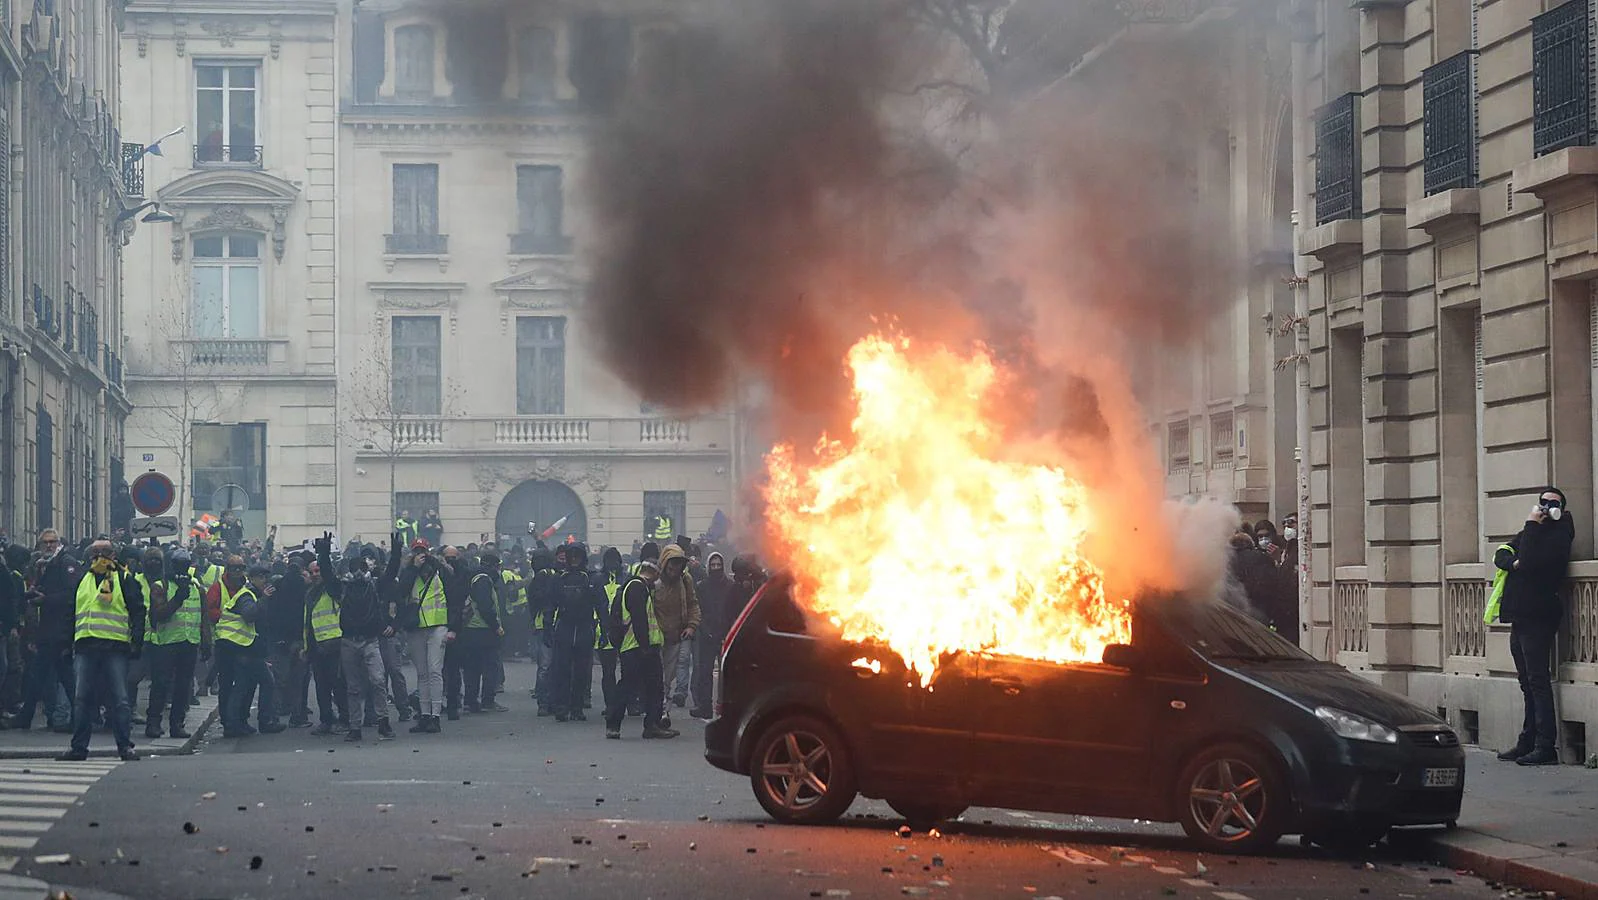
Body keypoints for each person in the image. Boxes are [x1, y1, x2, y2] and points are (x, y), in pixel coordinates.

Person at [1495, 487, 1575, 766]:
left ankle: (1545, 746)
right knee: (1526, 681)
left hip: (1539, 615)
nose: (1545, 507)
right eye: (1541, 502)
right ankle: (1527, 741)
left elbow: (1528, 560)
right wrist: (1513, 561)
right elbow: (1502, 553)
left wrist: (1531, 525)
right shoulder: (1531, 532)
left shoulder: (1560, 532)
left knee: (1538, 680)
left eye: (1551, 503)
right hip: (1520, 615)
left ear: (1561, 508)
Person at [58, 540, 145, 762]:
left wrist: (136, 642)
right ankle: (79, 748)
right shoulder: (82, 579)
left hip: (115, 646)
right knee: (81, 699)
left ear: (113, 554)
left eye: (103, 552)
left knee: (120, 700)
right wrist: (67, 644)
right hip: (86, 646)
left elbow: (138, 611)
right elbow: (71, 612)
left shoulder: (124, 579)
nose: (98, 556)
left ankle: (125, 746)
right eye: (95, 552)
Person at [320, 533, 398, 742]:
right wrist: (324, 554)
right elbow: (327, 575)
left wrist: (396, 553)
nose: (358, 574)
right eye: (356, 570)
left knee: (378, 680)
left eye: (361, 570)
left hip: (369, 640)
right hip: (349, 641)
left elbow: (390, 574)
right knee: (353, 687)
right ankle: (356, 726)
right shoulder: (343, 588)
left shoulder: (372, 585)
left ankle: (383, 722)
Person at [604, 559, 676, 740]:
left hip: (638, 646)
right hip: (639, 647)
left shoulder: (635, 586)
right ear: (652, 572)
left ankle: (647, 724)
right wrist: (645, 646)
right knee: (639, 686)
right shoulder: (637, 587)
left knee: (644, 686)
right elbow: (639, 618)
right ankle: (642, 725)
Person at [13, 530, 77, 732]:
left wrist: (45, 599)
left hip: (60, 631)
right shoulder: (46, 565)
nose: (49, 546)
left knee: (63, 678)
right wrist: (32, 595)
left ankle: (78, 717)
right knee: (41, 675)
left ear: (59, 543)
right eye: (45, 543)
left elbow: (71, 595)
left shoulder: (66, 563)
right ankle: (26, 716)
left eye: (52, 542)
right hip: (48, 631)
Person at [143, 548, 205, 740]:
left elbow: (203, 618)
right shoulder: (160, 585)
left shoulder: (195, 585)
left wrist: (207, 643)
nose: (182, 568)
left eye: (185, 564)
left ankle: (177, 724)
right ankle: (153, 723)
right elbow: (157, 615)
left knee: (183, 686)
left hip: (189, 642)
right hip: (166, 643)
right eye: (178, 564)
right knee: (161, 684)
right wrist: (178, 597)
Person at [214, 563, 280, 738]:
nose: (265, 581)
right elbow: (249, 614)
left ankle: (237, 723)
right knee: (265, 682)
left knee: (243, 686)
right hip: (241, 648)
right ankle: (262, 721)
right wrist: (264, 598)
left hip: (244, 648)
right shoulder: (247, 595)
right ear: (252, 579)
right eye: (261, 577)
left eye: (266, 577)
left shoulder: (251, 594)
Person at [396, 539, 453, 732]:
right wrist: (413, 569)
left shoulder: (439, 570)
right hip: (416, 626)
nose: (420, 554)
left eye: (423, 551)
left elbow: (453, 593)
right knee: (422, 673)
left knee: (435, 670)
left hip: (438, 624)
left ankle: (435, 715)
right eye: (417, 551)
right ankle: (424, 714)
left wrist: (453, 627)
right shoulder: (408, 572)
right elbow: (401, 591)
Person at [548, 544, 602, 722]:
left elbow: (601, 606)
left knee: (581, 672)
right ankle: (562, 707)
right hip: (565, 627)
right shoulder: (559, 579)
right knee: (561, 670)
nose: (574, 560)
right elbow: (551, 605)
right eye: (572, 556)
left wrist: (605, 631)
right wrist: (548, 628)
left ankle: (577, 707)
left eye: (577, 556)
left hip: (584, 628)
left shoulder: (590, 579)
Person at [303, 547, 349, 735]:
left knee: (338, 685)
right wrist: (306, 647)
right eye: (312, 572)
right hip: (316, 647)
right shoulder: (310, 594)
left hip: (334, 644)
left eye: (318, 571)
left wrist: (323, 557)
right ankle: (326, 720)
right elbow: (307, 622)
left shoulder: (333, 590)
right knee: (321, 687)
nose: (315, 575)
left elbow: (330, 579)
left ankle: (345, 719)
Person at [262, 553, 310, 729]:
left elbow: (269, 612)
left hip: (279, 639)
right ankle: (297, 716)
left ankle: (274, 716)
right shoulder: (305, 587)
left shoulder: (277, 586)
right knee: (298, 680)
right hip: (298, 638)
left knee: (278, 681)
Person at [451, 554, 502, 715]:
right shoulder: (483, 580)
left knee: (472, 668)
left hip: (471, 630)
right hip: (483, 629)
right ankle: (487, 700)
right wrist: (496, 626)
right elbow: (485, 606)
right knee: (489, 666)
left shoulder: (473, 577)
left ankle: (470, 701)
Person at [653, 544, 700, 717]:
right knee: (656, 677)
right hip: (655, 638)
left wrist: (691, 625)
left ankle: (663, 713)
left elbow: (693, 604)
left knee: (668, 678)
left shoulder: (685, 580)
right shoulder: (654, 582)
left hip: (675, 637)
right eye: (672, 563)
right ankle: (655, 710)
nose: (675, 567)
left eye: (679, 563)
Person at [690, 552, 734, 719]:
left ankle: (725, 707)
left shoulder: (730, 586)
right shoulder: (702, 586)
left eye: (718, 565)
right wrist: (704, 630)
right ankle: (704, 706)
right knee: (704, 672)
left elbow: (733, 611)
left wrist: (727, 632)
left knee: (726, 674)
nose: (716, 568)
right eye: (713, 565)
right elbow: (698, 609)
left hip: (725, 634)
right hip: (707, 634)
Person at [593, 547, 628, 714]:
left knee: (627, 670)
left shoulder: (626, 579)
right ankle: (611, 704)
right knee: (608, 672)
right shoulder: (599, 580)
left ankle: (624, 702)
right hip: (605, 632)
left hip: (625, 631)